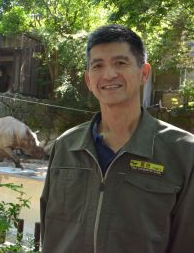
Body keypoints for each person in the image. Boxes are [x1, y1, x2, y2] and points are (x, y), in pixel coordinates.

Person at [40, 24, 194, 253]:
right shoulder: (66, 146)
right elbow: (49, 232)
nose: (109, 74)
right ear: (89, 80)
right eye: (98, 65)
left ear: (144, 73)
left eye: (120, 63)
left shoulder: (182, 152)